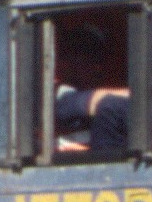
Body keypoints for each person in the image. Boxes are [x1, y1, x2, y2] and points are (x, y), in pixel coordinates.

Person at [52, 21, 130, 156]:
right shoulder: (57, 95)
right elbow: (94, 102)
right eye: (78, 58)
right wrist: (136, 96)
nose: (95, 67)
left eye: (96, 59)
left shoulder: (116, 116)